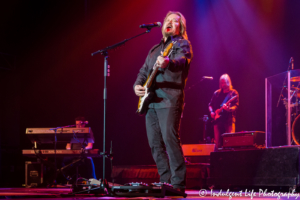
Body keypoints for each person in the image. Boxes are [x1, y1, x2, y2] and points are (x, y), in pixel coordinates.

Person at [133, 11, 193, 192]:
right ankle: (165, 181)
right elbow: (143, 72)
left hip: (170, 98)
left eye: (175, 21)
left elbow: (181, 61)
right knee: (155, 143)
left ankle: (178, 184)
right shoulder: (153, 50)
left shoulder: (182, 44)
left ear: (180, 27)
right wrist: (137, 86)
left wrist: (168, 63)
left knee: (169, 139)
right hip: (150, 101)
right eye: (168, 20)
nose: (170, 22)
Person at [208, 74, 239, 150]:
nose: (223, 85)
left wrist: (229, 109)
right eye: (222, 83)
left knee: (230, 142)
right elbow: (210, 105)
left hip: (229, 120)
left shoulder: (234, 93)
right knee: (217, 143)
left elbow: (236, 106)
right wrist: (211, 112)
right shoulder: (216, 93)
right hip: (218, 120)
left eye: (225, 82)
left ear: (228, 82)